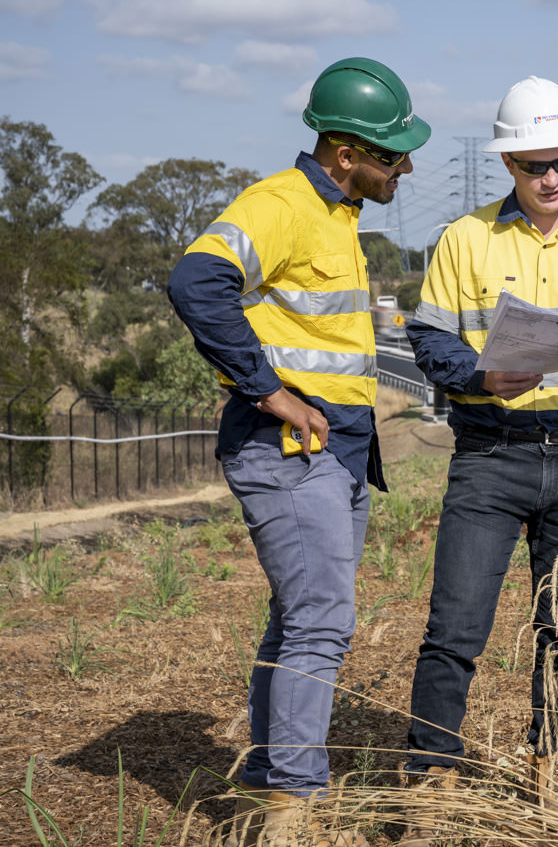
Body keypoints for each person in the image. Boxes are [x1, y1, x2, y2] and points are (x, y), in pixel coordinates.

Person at [167, 57, 430, 845]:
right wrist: (267, 389)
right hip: (284, 447)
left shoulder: (341, 216)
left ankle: (262, 789)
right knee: (322, 620)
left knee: (298, 620)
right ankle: (292, 810)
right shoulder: (280, 203)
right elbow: (196, 282)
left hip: (339, 452)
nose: (405, 167)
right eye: (390, 153)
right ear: (344, 152)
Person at [401, 76, 558, 798]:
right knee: (454, 628)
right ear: (507, 165)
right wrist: (481, 378)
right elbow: (427, 340)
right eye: (533, 165)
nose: (551, 178)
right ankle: (429, 777)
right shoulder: (466, 240)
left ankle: (553, 770)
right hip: (490, 458)